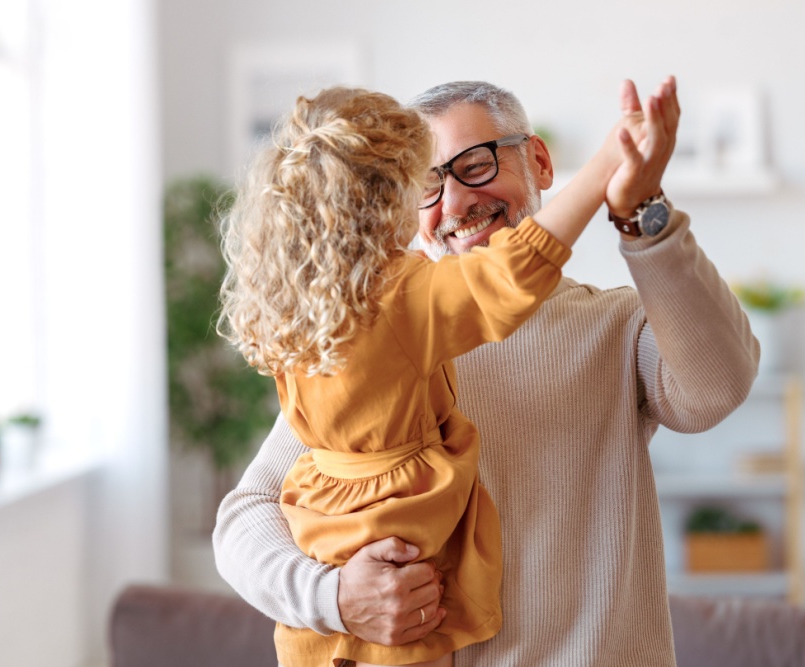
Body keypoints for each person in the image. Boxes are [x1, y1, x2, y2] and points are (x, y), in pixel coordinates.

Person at [214, 77, 759, 667]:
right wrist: (335, 597)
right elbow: (245, 517)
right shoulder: (369, 341)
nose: (454, 204)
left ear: (540, 162)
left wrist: (641, 212)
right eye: (426, 184)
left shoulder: (616, 325)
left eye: (474, 164)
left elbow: (717, 389)